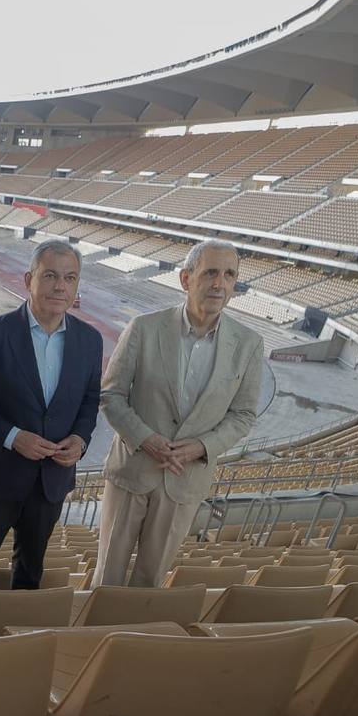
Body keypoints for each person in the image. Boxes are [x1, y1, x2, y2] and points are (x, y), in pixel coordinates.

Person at [94, 238, 263, 588]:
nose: (220, 283)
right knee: (106, 576)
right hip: (133, 471)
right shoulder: (144, 328)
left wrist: (200, 446)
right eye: (211, 272)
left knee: (150, 581)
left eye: (229, 275)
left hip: (186, 480)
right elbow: (111, 395)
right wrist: (146, 439)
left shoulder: (248, 344)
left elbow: (243, 414)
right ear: (186, 279)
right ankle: (90, 640)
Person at [0, 241, 103, 589]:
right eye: (50, 275)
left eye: (70, 278)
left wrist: (80, 440)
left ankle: (19, 636)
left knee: (30, 568)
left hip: (51, 480)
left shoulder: (90, 340)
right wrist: (12, 437)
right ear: (29, 279)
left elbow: (89, 401)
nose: (60, 286)